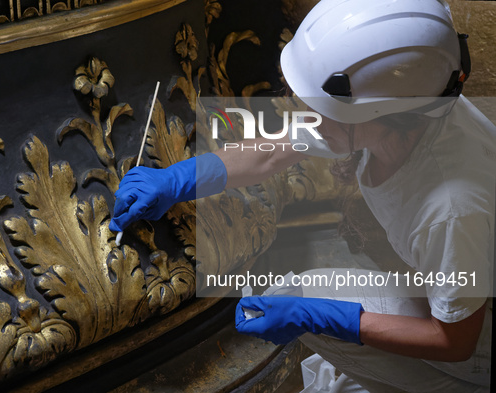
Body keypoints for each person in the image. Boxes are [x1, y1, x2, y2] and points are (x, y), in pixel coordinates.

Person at [109, 0, 495, 391]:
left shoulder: (451, 206)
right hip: (465, 294)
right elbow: (276, 150)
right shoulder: (406, 109)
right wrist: (178, 178)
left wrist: (324, 318)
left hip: (478, 346)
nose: (308, 115)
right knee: (302, 302)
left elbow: (454, 340)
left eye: (321, 108)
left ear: (379, 113)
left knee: (308, 302)